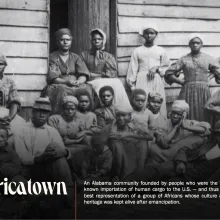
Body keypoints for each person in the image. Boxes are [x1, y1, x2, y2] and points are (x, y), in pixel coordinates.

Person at [165, 34, 220, 122]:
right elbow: (169, 73)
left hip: (203, 90)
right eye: (192, 43)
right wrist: (180, 81)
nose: (195, 45)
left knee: (204, 111)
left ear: (201, 44)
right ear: (189, 45)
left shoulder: (208, 58)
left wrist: (209, 77)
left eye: (197, 43)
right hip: (188, 90)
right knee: (187, 112)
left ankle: (204, 133)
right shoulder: (184, 59)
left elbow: (218, 70)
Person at [142, 120, 220, 181]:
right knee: (160, 169)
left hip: (192, 179)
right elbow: (184, 150)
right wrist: (181, 162)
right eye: (218, 135)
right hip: (183, 166)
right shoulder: (207, 142)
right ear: (215, 135)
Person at [42, 28, 93, 114]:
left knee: (87, 88)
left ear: (71, 42)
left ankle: (86, 115)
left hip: (75, 84)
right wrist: (66, 82)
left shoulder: (75, 57)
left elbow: (83, 74)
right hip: (60, 84)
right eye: (62, 40)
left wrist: (79, 81)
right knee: (61, 90)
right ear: (58, 42)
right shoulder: (53, 57)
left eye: (68, 40)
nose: (65, 42)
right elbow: (54, 78)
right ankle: (60, 115)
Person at [147, 100, 211, 166]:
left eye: (178, 114)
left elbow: (207, 129)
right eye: (174, 113)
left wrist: (186, 126)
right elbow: (164, 142)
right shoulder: (165, 123)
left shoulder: (189, 123)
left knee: (201, 138)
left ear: (184, 115)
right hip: (167, 151)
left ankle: (172, 160)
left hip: (181, 152)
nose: (175, 116)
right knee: (152, 147)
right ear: (170, 113)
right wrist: (176, 127)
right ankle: (174, 160)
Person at [81, 28, 131, 109]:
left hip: (103, 78)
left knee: (117, 82)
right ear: (91, 41)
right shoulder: (84, 55)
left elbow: (111, 73)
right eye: (94, 39)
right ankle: (104, 109)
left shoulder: (108, 56)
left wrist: (95, 74)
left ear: (103, 41)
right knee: (100, 85)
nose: (97, 41)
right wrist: (91, 75)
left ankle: (120, 109)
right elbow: (82, 70)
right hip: (90, 80)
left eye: (99, 39)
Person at [126, 23, 170, 116]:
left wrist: (157, 68)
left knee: (156, 103)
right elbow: (133, 69)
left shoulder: (161, 50)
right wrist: (133, 87)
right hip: (141, 80)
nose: (149, 35)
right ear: (143, 34)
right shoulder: (137, 51)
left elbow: (166, 68)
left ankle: (158, 126)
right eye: (146, 33)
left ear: (156, 34)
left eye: (152, 33)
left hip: (156, 80)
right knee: (142, 103)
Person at [103, 105, 153, 180]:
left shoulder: (133, 125)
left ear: (129, 116)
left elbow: (149, 137)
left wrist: (128, 134)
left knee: (143, 142)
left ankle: (139, 173)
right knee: (116, 144)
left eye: (123, 115)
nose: (120, 118)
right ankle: (120, 176)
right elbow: (102, 140)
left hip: (131, 152)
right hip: (116, 155)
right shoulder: (110, 127)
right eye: (118, 115)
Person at [48, 96, 91, 174]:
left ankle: (80, 174)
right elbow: (53, 138)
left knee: (86, 148)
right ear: (62, 108)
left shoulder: (79, 121)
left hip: (74, 147)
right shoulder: (54, 119)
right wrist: (76, 140)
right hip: (59, 145)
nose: (70, 111)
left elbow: (82, 137)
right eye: (67, 109)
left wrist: (78, 138)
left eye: (73, 109)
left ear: (76, 109)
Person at [0, 53, 26, 141]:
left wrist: (9, 118)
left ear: (5, 66)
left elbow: (15, 102)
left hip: (5, 113)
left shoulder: (9, 82)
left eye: (1, 64)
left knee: (20, 125)